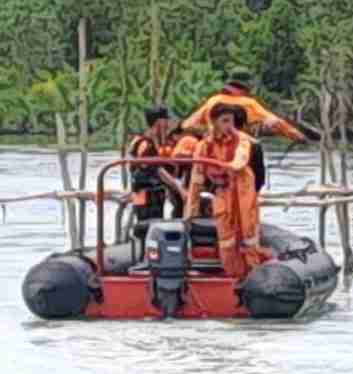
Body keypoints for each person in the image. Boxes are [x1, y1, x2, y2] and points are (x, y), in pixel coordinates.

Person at [191, 74, 313, 189]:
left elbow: (188, 125)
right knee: (256, 157)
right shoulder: (249, 103)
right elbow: (277, 123)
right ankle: (254, 191)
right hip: (238, 148)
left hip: (211, 147)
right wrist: (299, 137)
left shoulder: (212, 101)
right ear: (243, 89)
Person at [192, 100, 266, 272]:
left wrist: (230, 167)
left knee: (248, 236)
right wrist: (191, 212)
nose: (229, 126)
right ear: (214, 122)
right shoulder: (204, 146)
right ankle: (231, 274)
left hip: (244, 198)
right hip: (223, 197)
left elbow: (241, 162)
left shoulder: (245, 142)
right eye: (225, 121)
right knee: (226, 240)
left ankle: (252, 273)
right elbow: (197, 179)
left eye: (231, 121)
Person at [122, 106, 192, 228]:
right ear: (159, 122)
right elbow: (158, 170)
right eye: (166, 121)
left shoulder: (141, 140)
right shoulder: (146, 144)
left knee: (151, 228)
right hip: (147, 195)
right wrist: (180, 189)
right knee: (150, 228)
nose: (168, 124)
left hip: (149, 193)